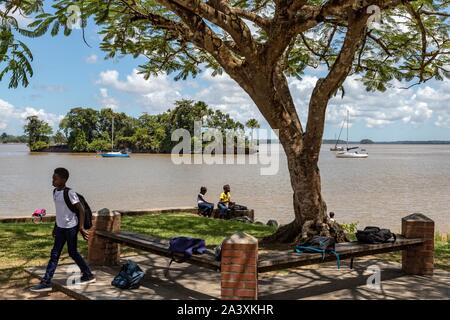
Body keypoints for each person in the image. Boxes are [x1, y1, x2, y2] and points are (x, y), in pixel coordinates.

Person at [30, 168, 95, 292]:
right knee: (54, 254)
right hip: (60, 228)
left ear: (63, 180)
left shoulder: (70, 193)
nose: (53, 180)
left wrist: (80, 227)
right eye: (53, 178)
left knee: (72, 252)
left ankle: (88, 274)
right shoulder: (55, 192)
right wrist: (56, 227)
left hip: (71, 228)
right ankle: (46, 281)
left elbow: (80, 209)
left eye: (55, 178)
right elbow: (60, 212)